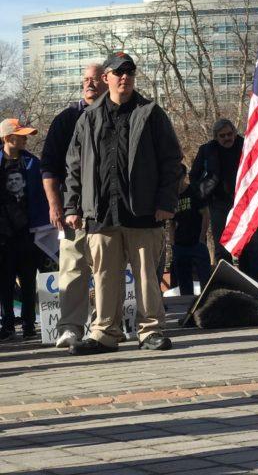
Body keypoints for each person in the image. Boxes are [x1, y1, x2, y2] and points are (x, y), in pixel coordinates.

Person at [64, 52, 182, 354]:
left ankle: (150, 332)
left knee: (146, 275)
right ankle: (105, 333)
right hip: (100, 213)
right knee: (104, 277)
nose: (124, 77)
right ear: (107, 78)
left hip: (143, 211)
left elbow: (172, 162)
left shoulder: (151, 113)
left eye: (129, 72)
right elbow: (74, 167)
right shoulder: (88, 118)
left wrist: (167, 202)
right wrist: (72, 207)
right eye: (118, 72)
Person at [40, 64, 108, 347]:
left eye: (94, 79)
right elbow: (49, 168)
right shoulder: (66, 119)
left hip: (108, 209)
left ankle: (104, 325)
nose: (88, 84)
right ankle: (70, 327)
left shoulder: (119, 115)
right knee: (72, 267)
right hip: (73, 209)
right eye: (85, 80)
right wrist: (55, 205)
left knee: (107, 269)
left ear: (107, 80)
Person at [190, 119, 258, 291]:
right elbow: (193, 175)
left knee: (254, 247)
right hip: (219, 204)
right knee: (222, 249)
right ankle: (224, 291)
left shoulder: (247, 145)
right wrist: (203, 192)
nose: (227, 138)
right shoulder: (207, 150)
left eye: (230, 134)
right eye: (222, 136)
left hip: (246, 204)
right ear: (216, 137)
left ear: (235, 132)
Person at [0, 119, 48, 340]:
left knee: (29, 282)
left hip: (29, 234)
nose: (26, 139)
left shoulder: (32, 163)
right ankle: (7, 325)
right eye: (22, 136)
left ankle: (29, 324)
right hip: (3, 236)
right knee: (5, 283)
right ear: (9, 138)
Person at [171, 165, 211, 298]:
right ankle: (187, 308)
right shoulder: (172, 197)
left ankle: (207, 303)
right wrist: (172, 242)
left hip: (196, 242)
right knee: (184, 282)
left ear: (183, 176)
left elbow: (205, 214)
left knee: (205, 279)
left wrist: (202, 237)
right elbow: (171, 221)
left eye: (178, 177)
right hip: (180, 244)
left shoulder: (194, 191)